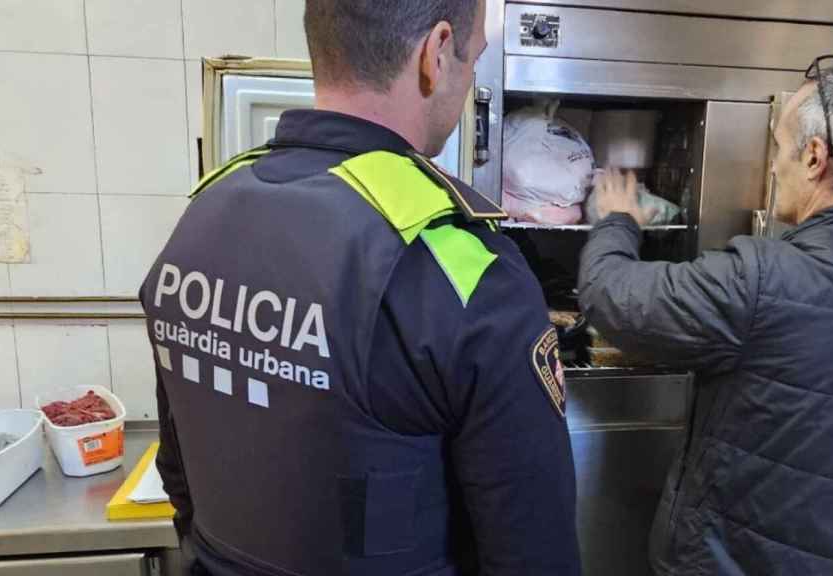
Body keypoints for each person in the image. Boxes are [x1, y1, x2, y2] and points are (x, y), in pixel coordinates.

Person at [139, 1, 580, 575]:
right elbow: (533, 554)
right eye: (473, 58)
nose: (469, 76)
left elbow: (181, 479)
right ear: (437, 52)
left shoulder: (204, 215)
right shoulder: (464, 270)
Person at [578, 56, 833, 576]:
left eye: (778, 147)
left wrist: (618, 219)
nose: (773, 165)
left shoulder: (765, 278)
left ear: (815, 156)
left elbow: (612, 296)